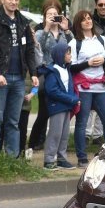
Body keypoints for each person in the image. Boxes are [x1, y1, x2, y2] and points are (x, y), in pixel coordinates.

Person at [0, 0, 39, 157]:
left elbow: (30, 50)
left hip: (19, 78)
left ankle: (12, 159)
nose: (14, 2)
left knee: (13, 121)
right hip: (0, 77)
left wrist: (34, 74)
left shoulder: (23, 22)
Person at [69, 10, 105, 167]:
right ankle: (82, 157)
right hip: (84, 88)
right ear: (78, 23)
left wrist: (103, 60)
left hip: (101, 88)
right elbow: (72, 67)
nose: (88, 21)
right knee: (81, 122)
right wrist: (87, 63)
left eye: (89, 18)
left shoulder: (102, 40)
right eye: (84, 19)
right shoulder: (74, 43)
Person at [28, 2, 72, 150]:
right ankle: (35, 141)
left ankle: (50, 141)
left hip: (62, 74)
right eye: (49, 15)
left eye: (55, 14)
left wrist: (66, 30)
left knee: (58, 109)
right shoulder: (41, 32)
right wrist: (47, 27)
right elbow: (37, 47)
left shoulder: (63, 33)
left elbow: (72, 46)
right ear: (44, 17)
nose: (53, 17)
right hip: (47, 73)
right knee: (44, 111)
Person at [42, 42, 79, 170]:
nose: (70, 55)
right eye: (67, 53)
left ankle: (61, 159)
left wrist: (73, 98)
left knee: (64, 134)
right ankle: (49, 160)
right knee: (55, 133)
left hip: (66, 106)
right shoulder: (53, 71)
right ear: (60, 55)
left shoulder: (66, 69)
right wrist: (71, 99)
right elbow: (52, 91)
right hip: (57, 106)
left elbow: (69, 87)